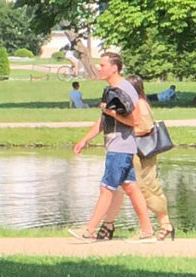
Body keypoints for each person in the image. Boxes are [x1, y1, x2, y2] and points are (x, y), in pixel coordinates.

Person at [70, 52, 155, 242]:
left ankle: (90, 229)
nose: (99, 69)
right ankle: (147, 231)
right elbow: (104, 120)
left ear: (114, 68)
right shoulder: (112, 90)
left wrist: (110, 112)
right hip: (119, 146)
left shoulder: (123, 90)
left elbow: (134, 120)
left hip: (120, 147)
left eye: (102, 65)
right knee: (131, 188)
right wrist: (85, 140)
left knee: (106, 188)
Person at [100, 74, 175, 241]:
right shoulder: (132, 103)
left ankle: (163, 224)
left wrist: (125, 129)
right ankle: (107, 225)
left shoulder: (140, 104)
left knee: (145, 188)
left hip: (142, 155)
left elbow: (145, 127)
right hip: (132, 152)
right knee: (121, 187)